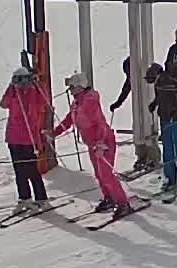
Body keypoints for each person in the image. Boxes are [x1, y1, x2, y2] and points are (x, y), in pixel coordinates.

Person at [54, 73, 134, 216]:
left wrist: (101, 143)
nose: (70, 91)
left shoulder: (90, 101)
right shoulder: (77, 104)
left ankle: (123, 203)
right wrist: (53, 133)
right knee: (99, 174)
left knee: (107, 174)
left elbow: (100, 124)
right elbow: (68, 120)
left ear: (80, 87)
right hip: (93, 144)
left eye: (72, 87)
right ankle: (109, 198)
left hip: (104, 142)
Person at [0, 66, 51, 214]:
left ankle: (41, 198)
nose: (21, 84)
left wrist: (36, 83)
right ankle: (25, 198)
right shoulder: (14, 93)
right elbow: (3, 104)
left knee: (32, 170)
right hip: (13, 137)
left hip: (29, 138)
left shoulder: (34, 92)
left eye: (23, 80)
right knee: (19, 171)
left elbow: (45, 101)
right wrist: (11, 87)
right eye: (17, 80)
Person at [147, 62, 177, 195]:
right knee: (167, 150)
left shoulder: (173, 83)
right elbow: (160, 97)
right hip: (165, 119)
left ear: (157, 75)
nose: (151, 82)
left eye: (152, 78)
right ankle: (170, 178)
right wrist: (154, 104)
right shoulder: (158, 84)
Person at [106, 58, 161, 172]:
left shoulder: (147, 76)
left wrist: (155, 103)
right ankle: (141, 156)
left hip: (150, 108)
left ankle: (153, 157)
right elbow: (125, 91)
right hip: (139, 109)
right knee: (138, 130)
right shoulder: (132, 79)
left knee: (149, 131)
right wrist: (117, 104)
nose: (129, 76)